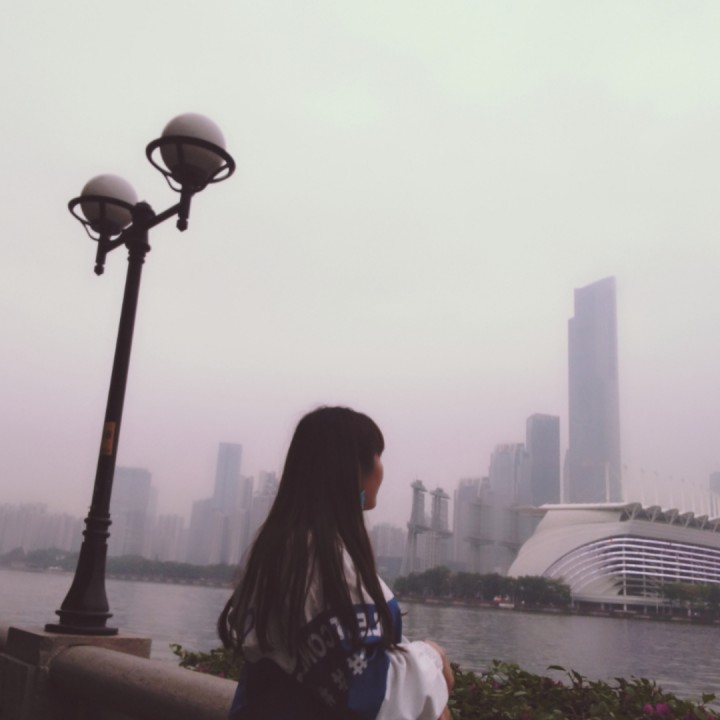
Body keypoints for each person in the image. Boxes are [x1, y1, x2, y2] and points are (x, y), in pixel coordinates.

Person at [218, 406, 454, 720]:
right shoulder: (327, 563)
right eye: (378, 456)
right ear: (354, 468)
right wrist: (432, 657)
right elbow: (368, 694)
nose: (382, 468)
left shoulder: (276, 549)